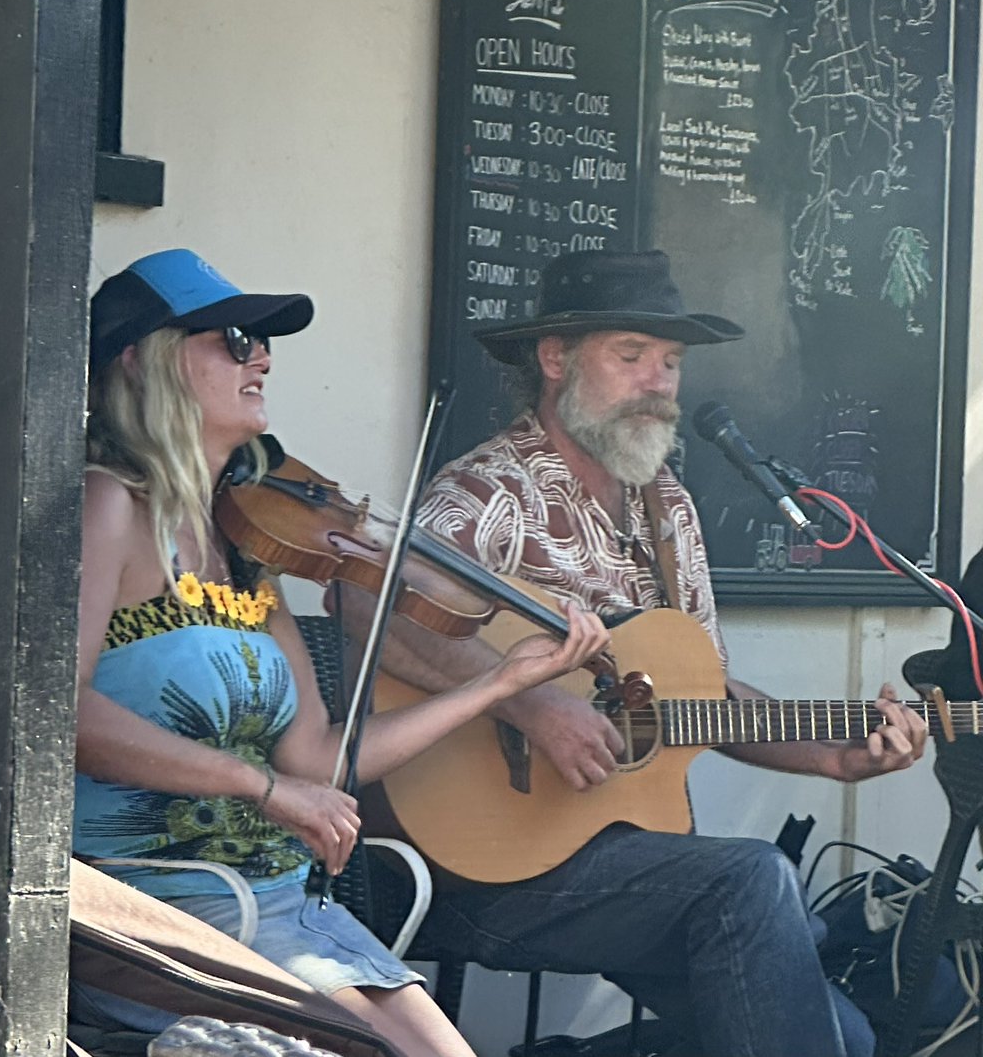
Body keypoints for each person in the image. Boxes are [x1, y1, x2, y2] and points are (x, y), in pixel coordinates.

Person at [349, 250, 929, 1057]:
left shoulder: (669, 509)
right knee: (752, 879)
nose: (660, 381)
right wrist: (530, 704)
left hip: (623, 862)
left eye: (672, 361)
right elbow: (365, 602)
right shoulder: (492, 492)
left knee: (846, 1038)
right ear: (556, 358)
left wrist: (835, 756)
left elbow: (701, 695)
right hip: (479, 870)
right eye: (632, 355)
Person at [70, 248, 609, 1057]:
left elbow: (318, 758)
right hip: (159, 909)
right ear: (141, 360)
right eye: (234, 339)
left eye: (261, 342)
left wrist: (502, 683)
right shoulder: (109, 505)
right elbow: (61, 711)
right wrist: (260, 786)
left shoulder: (245, 549)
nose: (261, 356)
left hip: (285, 902)